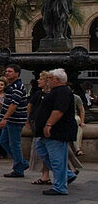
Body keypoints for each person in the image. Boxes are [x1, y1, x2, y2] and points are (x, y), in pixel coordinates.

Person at [33, 68, 78, 196]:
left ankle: (60, 187)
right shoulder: (55, 91)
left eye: (50, 78)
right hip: (47, 133)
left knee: (57, 159)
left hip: (57, 132)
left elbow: (59, 110)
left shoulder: (63, 92)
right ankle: (67, 175)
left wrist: (49, 125)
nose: (48, 81)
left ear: (57, 80)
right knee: (43, 152)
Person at [0, 63, 30, 178]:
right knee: (3, 141)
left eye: (10, 71)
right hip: (11, 120)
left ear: (17, 74)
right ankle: (21, 163)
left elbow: (14, 105)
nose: (7, 73)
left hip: (15, 120)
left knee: (15, 144)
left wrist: (5, 118)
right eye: (6, 71)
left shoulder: (17, 87)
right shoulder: (11, 86)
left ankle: (19, 169)